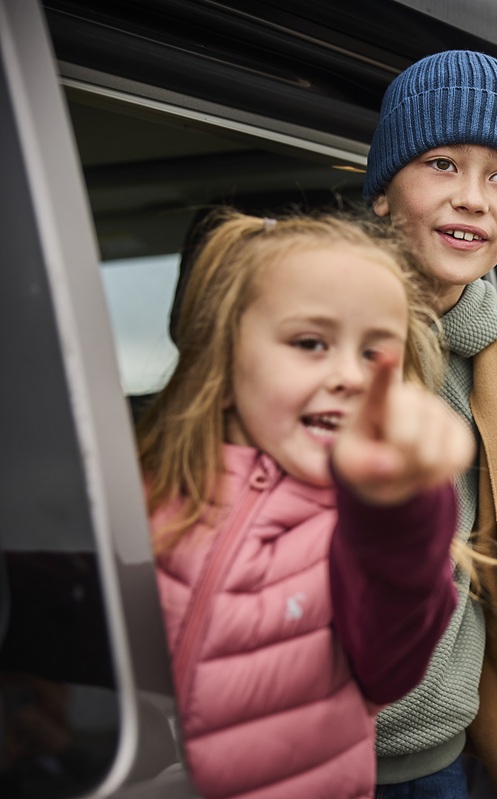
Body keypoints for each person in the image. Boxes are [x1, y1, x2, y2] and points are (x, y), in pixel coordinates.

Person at [137, 211, 475, 799]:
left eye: (375, 354)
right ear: (225, 355)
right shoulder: (150, 491)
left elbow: (392, 660)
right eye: (310, 343)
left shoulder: (364, 532)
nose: (348, 375)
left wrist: (401, 506)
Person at [363, 50, 497, 799]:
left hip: (442, 754)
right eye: (443, 163)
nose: (473, 199)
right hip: (314, 751)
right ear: (384, 193)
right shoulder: (324, 341)